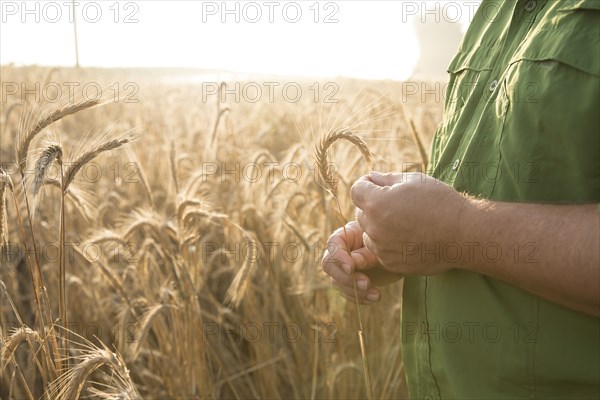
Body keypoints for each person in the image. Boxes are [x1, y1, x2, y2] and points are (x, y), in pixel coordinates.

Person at [322, 1, 600, 398]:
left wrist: (457, 230)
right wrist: (386, 239)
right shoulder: (496, 13)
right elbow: (496, 191)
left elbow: (463, 222)